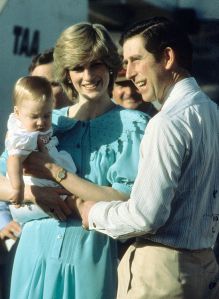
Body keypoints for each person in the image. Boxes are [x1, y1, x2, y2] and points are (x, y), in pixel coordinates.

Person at [0, 22, 149, 299]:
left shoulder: (133, 126)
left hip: (92, 259)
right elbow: (3, 180)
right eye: (78, 67)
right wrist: (36, 194)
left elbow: (125, 200)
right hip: (32, 257)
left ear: (110, 67)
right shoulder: (46, 121)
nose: (88, 75)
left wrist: (54, 171)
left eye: (96, 65)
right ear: (66, 73)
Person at [77, 17, 219, 299]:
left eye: (135, 59)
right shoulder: (213, 112)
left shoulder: (166, 122)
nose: (127, 72)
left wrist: (92, 212)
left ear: (167, 57)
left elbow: (145, 216)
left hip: (162, 273)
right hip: (205, 267)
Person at [5, 75, 76, 222]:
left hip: (46, 170)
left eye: (46, 115)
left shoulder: (34, 128)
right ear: (17, 113)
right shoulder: (23, 136)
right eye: (34, 117)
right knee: (68, 201)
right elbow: (13, 160)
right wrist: (18, 189)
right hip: (32, 183)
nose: (41, 122)